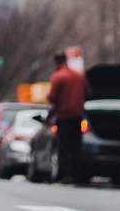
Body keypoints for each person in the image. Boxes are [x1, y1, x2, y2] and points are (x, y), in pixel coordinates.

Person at [47, 51, 88, 184]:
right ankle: (77, 175)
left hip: (63, 117)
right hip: (78, 116)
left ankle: (64, 175)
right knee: (76, 146)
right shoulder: (79, 76)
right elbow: (88, 92)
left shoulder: (58, 77)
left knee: (63, 147)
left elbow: (52, 97)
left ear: (56, 62)